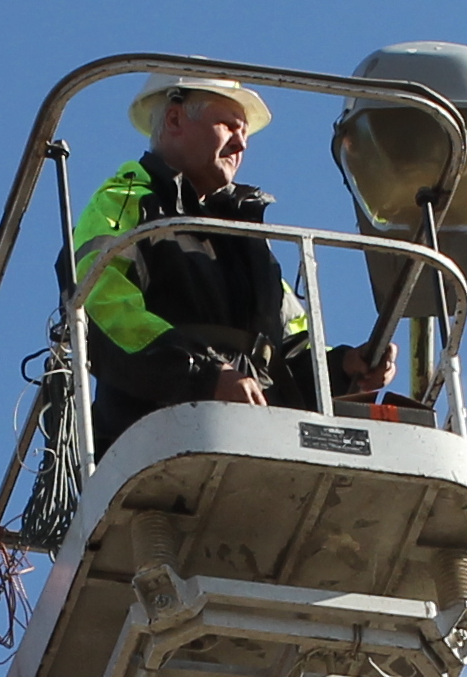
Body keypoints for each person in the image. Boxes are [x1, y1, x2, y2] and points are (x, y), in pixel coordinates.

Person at [73, 77, 391, 442]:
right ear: (175, 120)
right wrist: (202, 376)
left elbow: (288, 346)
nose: (241, 143)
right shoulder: (127, 202)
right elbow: (102, 308)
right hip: (154, 430)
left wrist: (343, 366)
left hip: (259, 434)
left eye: (245, 134)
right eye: (228, 126)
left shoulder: (246, 237)